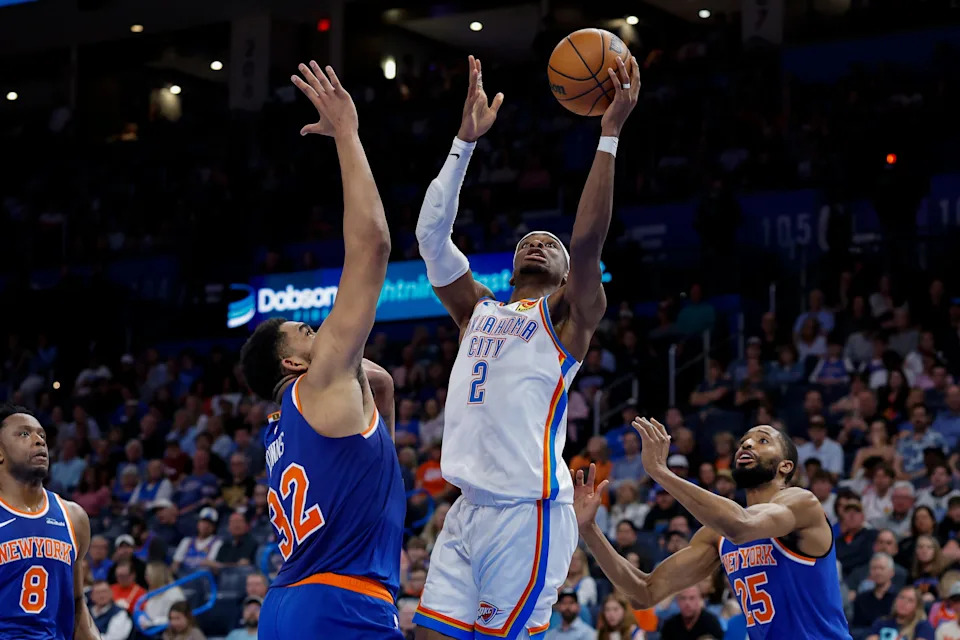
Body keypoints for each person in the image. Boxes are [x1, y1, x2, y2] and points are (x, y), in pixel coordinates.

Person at [413, 53, 641, 640]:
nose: (537, 243)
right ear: (512, 264)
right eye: (527, 241)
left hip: (527, 513)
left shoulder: (568, 315)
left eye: (550, 244)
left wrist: (609, 134)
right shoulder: (477, 310)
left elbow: (587, 240)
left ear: (567, 274)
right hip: (465, 511)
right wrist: (464, 143)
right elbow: (430, 236)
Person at [237, 61, 406, 640]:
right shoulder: (320, 380)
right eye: (307, 332)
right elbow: (373, 246)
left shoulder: (281, 425)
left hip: (287, 605)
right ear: (293, 363)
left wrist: (367, 390)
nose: (323, 333)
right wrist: (348, 135)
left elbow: (379, 384)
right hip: (343, 605)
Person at [574, 420, 851, 639]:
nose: (747, 444)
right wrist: (589, 529)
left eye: (763, 440)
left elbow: (741, 526)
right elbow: (643, 592)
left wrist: (661, 472)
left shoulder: (802, 504)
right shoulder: (717, 534)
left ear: (785, 467)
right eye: (743, 442)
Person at [0, 404, 100, 639]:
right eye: (24, 434)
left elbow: (77, 605)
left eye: (42, 435)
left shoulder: (73, 517)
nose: (39, 441)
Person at [866, 586, 935, 640]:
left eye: (910, 600)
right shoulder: (881, 622)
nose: (904, 602)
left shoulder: (924, 626)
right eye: (901, 597)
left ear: (917, 607)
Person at [852, 554, 898, 632]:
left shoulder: (898, 598)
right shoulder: (861, 598)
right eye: (874, 568)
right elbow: (856, 627)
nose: (877, 572)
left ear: (892, 572)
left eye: (881, 568)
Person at [659, 585, 724, 640]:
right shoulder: (670, 625)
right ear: (677, 601)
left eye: (692, 598)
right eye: (683, 598)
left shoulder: (711, 624)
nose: (687, 603)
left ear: (700, 599)